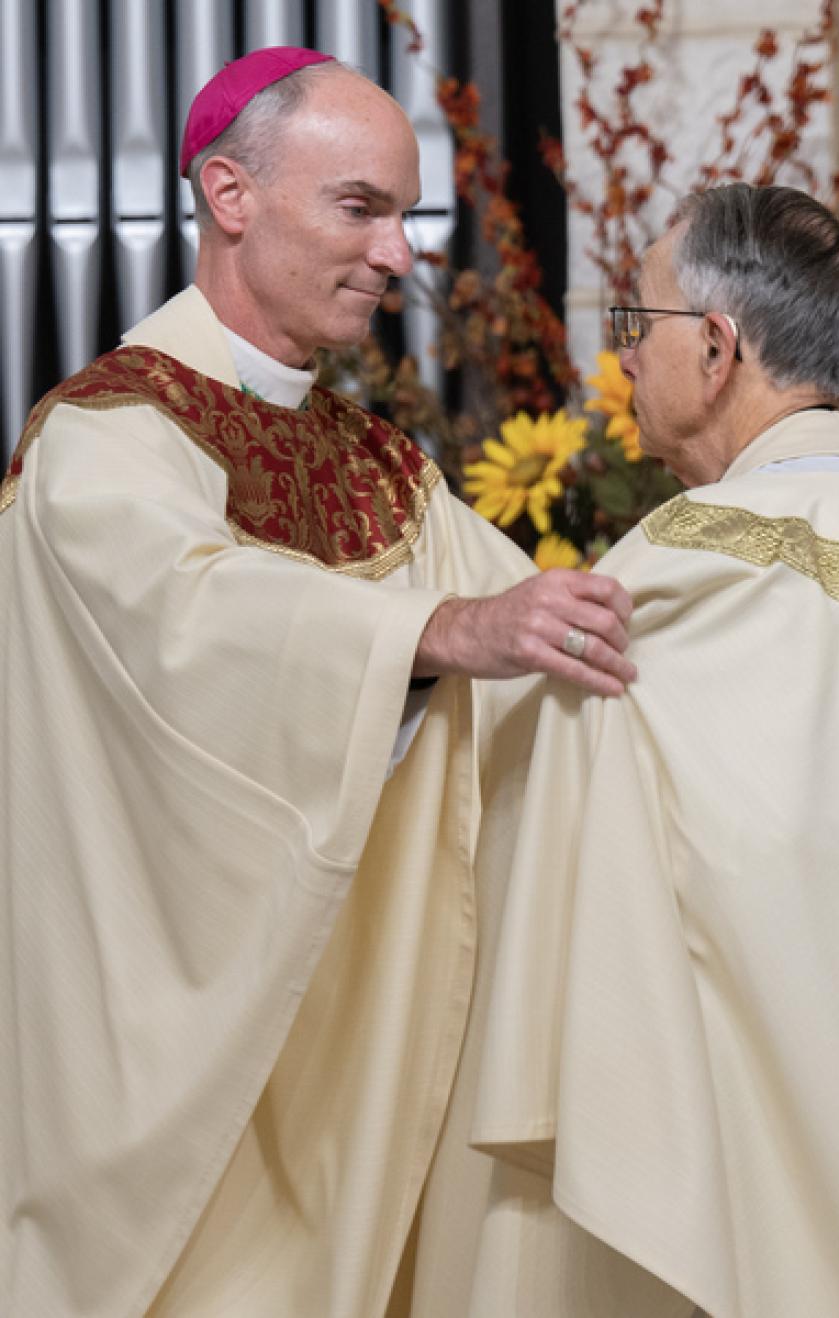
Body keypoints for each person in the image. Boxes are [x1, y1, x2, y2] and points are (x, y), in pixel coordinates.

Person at [0, 48, 635, 1318]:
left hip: (364, 1044)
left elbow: (542, 633)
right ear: (230, 196)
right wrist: (437, 632)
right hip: (181, 1069)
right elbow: (191, 618)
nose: (399, 254)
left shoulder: (383, 468)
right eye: (361, 207)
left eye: (404, 214)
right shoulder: (102, 441)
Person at [406, 184, 839, 1318]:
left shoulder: (690, 564)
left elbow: (505, 787)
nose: (624, 366)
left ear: (714, 347)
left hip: (744, 1152)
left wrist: (406, 645)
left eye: (633, 328)